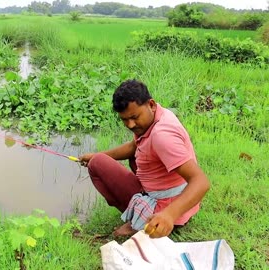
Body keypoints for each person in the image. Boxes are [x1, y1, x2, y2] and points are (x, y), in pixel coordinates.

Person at [79, 79, 210, 238]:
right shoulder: (158, 116)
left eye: (134, 117)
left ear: (151, 104)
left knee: (97, 164)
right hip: (175, 197)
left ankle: (139, 221)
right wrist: (97, 154)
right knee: (118, 158)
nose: (130, 125)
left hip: (167, 211)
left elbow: (201, 182)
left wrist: (169, 215)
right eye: (124, 119)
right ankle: (143, 210)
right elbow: (133, 147)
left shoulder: (162, 137)